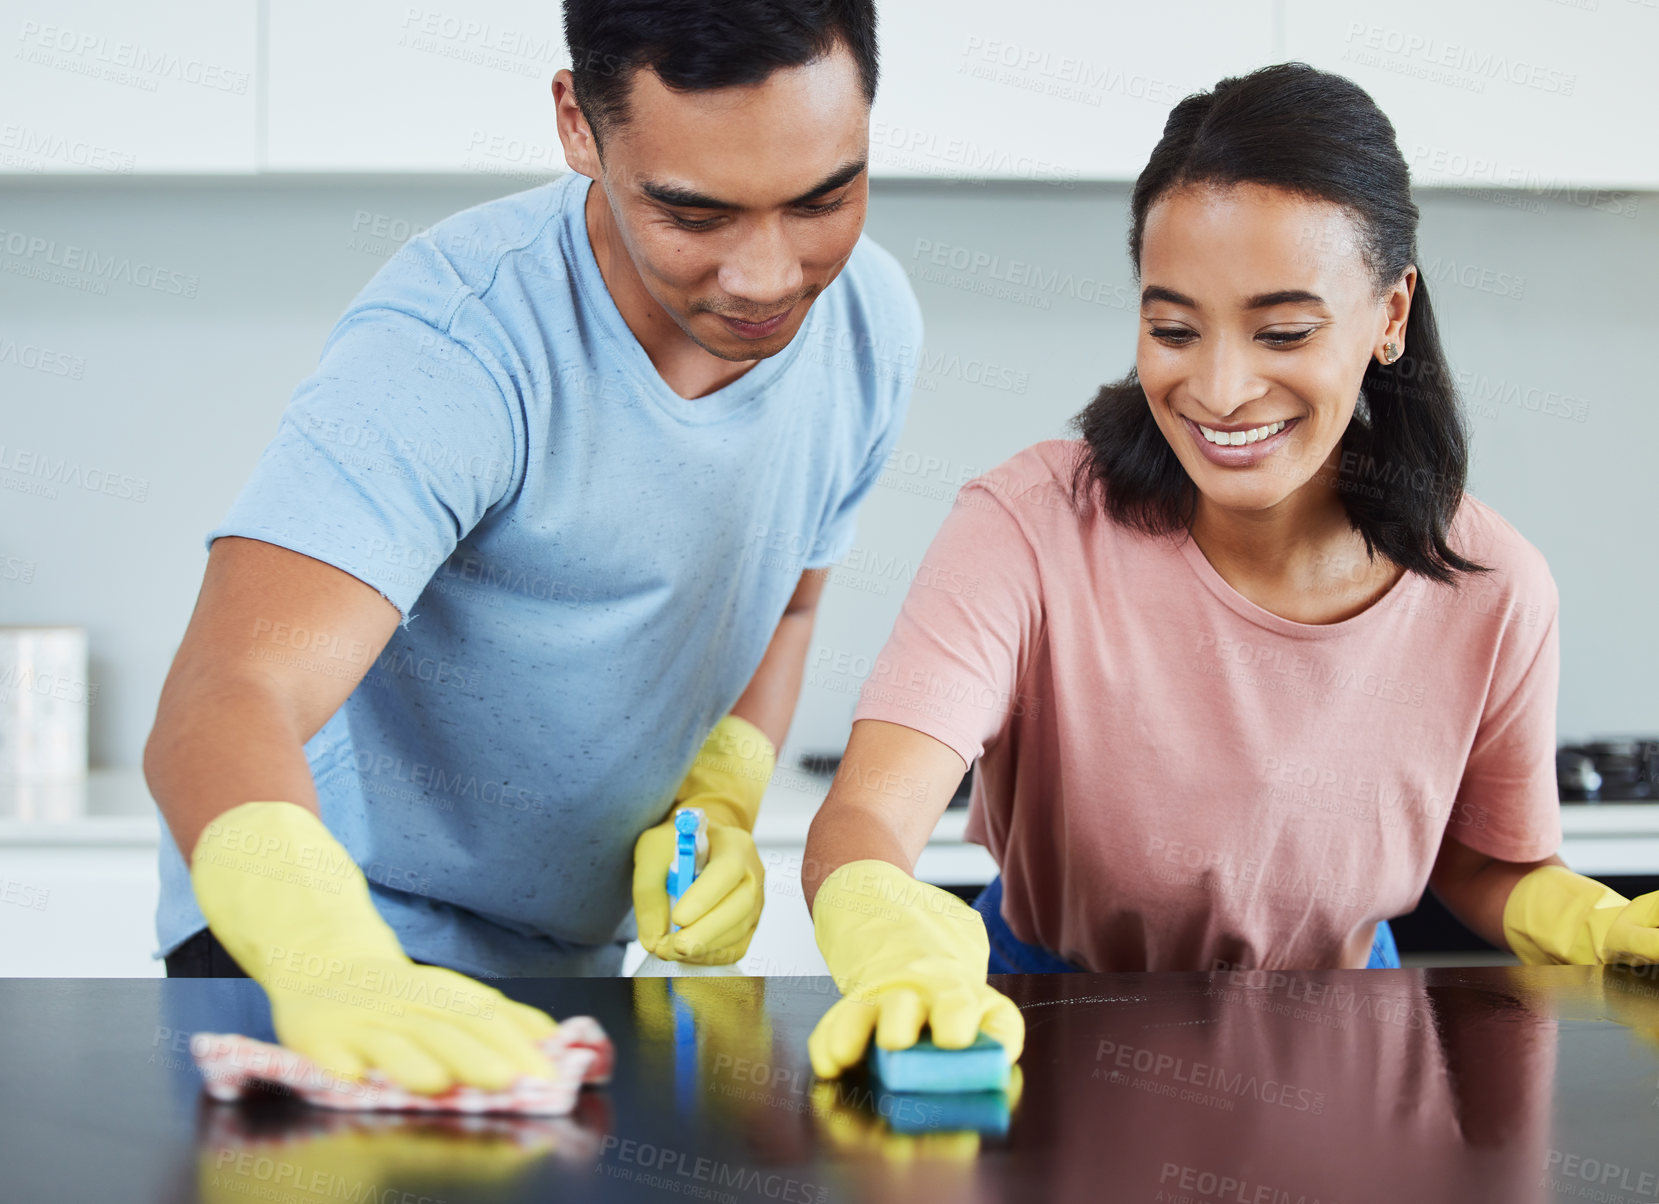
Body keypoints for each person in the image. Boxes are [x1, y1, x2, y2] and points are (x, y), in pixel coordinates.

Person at [802, 61, 1659, 1082]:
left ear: (1390, 317)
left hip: (1352, 1067)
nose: (1217, 387)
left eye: (1283, 330)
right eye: (1172, 328)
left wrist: (1582, 914)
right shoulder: (1027, 528)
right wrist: (889, 935)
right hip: (1054, 1038)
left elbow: (1479, 859)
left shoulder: (1495, 587)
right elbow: (867, 815)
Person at [143, 0, 920, 1093]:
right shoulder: (459, 342)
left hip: (573, 964)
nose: (766, 276)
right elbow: (223, 694)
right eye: (693, 214)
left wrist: (721, 796)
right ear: (576, 124)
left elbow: (783, 603)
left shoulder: (873, 323)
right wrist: (328, 956)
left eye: (823, 198)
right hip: (328, 946)